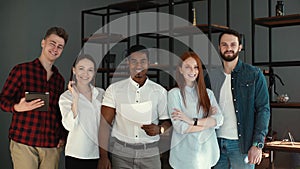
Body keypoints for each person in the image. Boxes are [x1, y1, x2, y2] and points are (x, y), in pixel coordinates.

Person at [0, 27, 68, 169]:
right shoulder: (21, 70)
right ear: (43, 43)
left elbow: (59, 111)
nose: (55, 49)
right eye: (52, 43)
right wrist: (17, 107)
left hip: (51, 144)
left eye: (60, 46)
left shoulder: (59, 79)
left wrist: (62, 136)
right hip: (24, 141)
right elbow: (3, 100)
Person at [98, 45, 171, 169]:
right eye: (134, 61)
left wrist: (160, 130)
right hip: (121, 154)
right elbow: (104, 124)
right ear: (127, 63)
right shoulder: (114, 90)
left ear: (148, 63)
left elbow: (167, 123)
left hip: (150, 153)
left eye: (143, 61)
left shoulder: (160, 92)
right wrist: (103, 156)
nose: (138, 65)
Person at [210, 29, 270, 169]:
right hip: (214, 143)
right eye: (224, 45)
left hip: (241, 145)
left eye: (233, 44)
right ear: (219, 47)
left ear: (240, 47)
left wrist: (258, 144)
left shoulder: (253, 74)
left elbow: (263, 110)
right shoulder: (211, 77)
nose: (228, 48)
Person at [168, 51, 223, 169]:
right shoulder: (174, 94)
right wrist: (208, 122)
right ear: (180, 70)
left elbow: (219, 120)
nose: (192, 71)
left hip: (206, 154)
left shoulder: (208, 94)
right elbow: (180, 127)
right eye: (187, 67)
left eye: (196, 67)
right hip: (184, 156)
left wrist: (191, 121)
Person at [59, 54, 105, 169]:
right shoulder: (66, 97)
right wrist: (75, 98)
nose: (86, 74)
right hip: (76, 154)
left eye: (90, 70)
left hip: (98, 154)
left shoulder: (101, 94)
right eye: (81, 69)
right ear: (74, 70)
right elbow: (69, 125)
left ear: (94, 73)